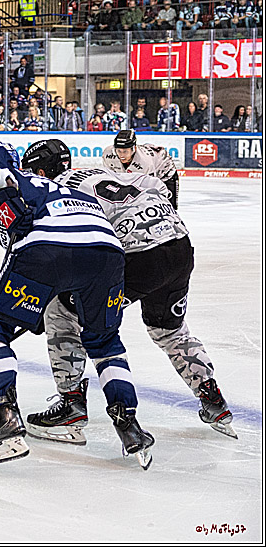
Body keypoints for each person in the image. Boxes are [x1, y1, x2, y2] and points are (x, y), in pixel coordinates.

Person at [22, 139, 235, 441]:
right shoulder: (101, 173)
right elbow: (160, 185)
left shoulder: (56, 193)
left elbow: (59, 253)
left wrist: (34, 301)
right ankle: (212, 397)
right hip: (180, 247)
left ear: (41, 171)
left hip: (140, 258)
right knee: (168, 329)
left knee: (62, 310)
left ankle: (71, 405)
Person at [0, 137, 151, 468]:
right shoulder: (64, 192)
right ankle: (128, 423)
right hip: (107, 252)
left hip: (49, 246)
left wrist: (6, 181)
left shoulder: (15, 180)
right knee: (104, 340)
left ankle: (4, 417)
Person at [102, 129, 179, 208]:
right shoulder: (108, 154)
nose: (121, 155)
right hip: (147, 167)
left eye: (125, 152)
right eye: (119, 151)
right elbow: (110, 178)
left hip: (165, 173)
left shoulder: (145, 161)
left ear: (134, 149)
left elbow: (151, 187)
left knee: (166, 207)